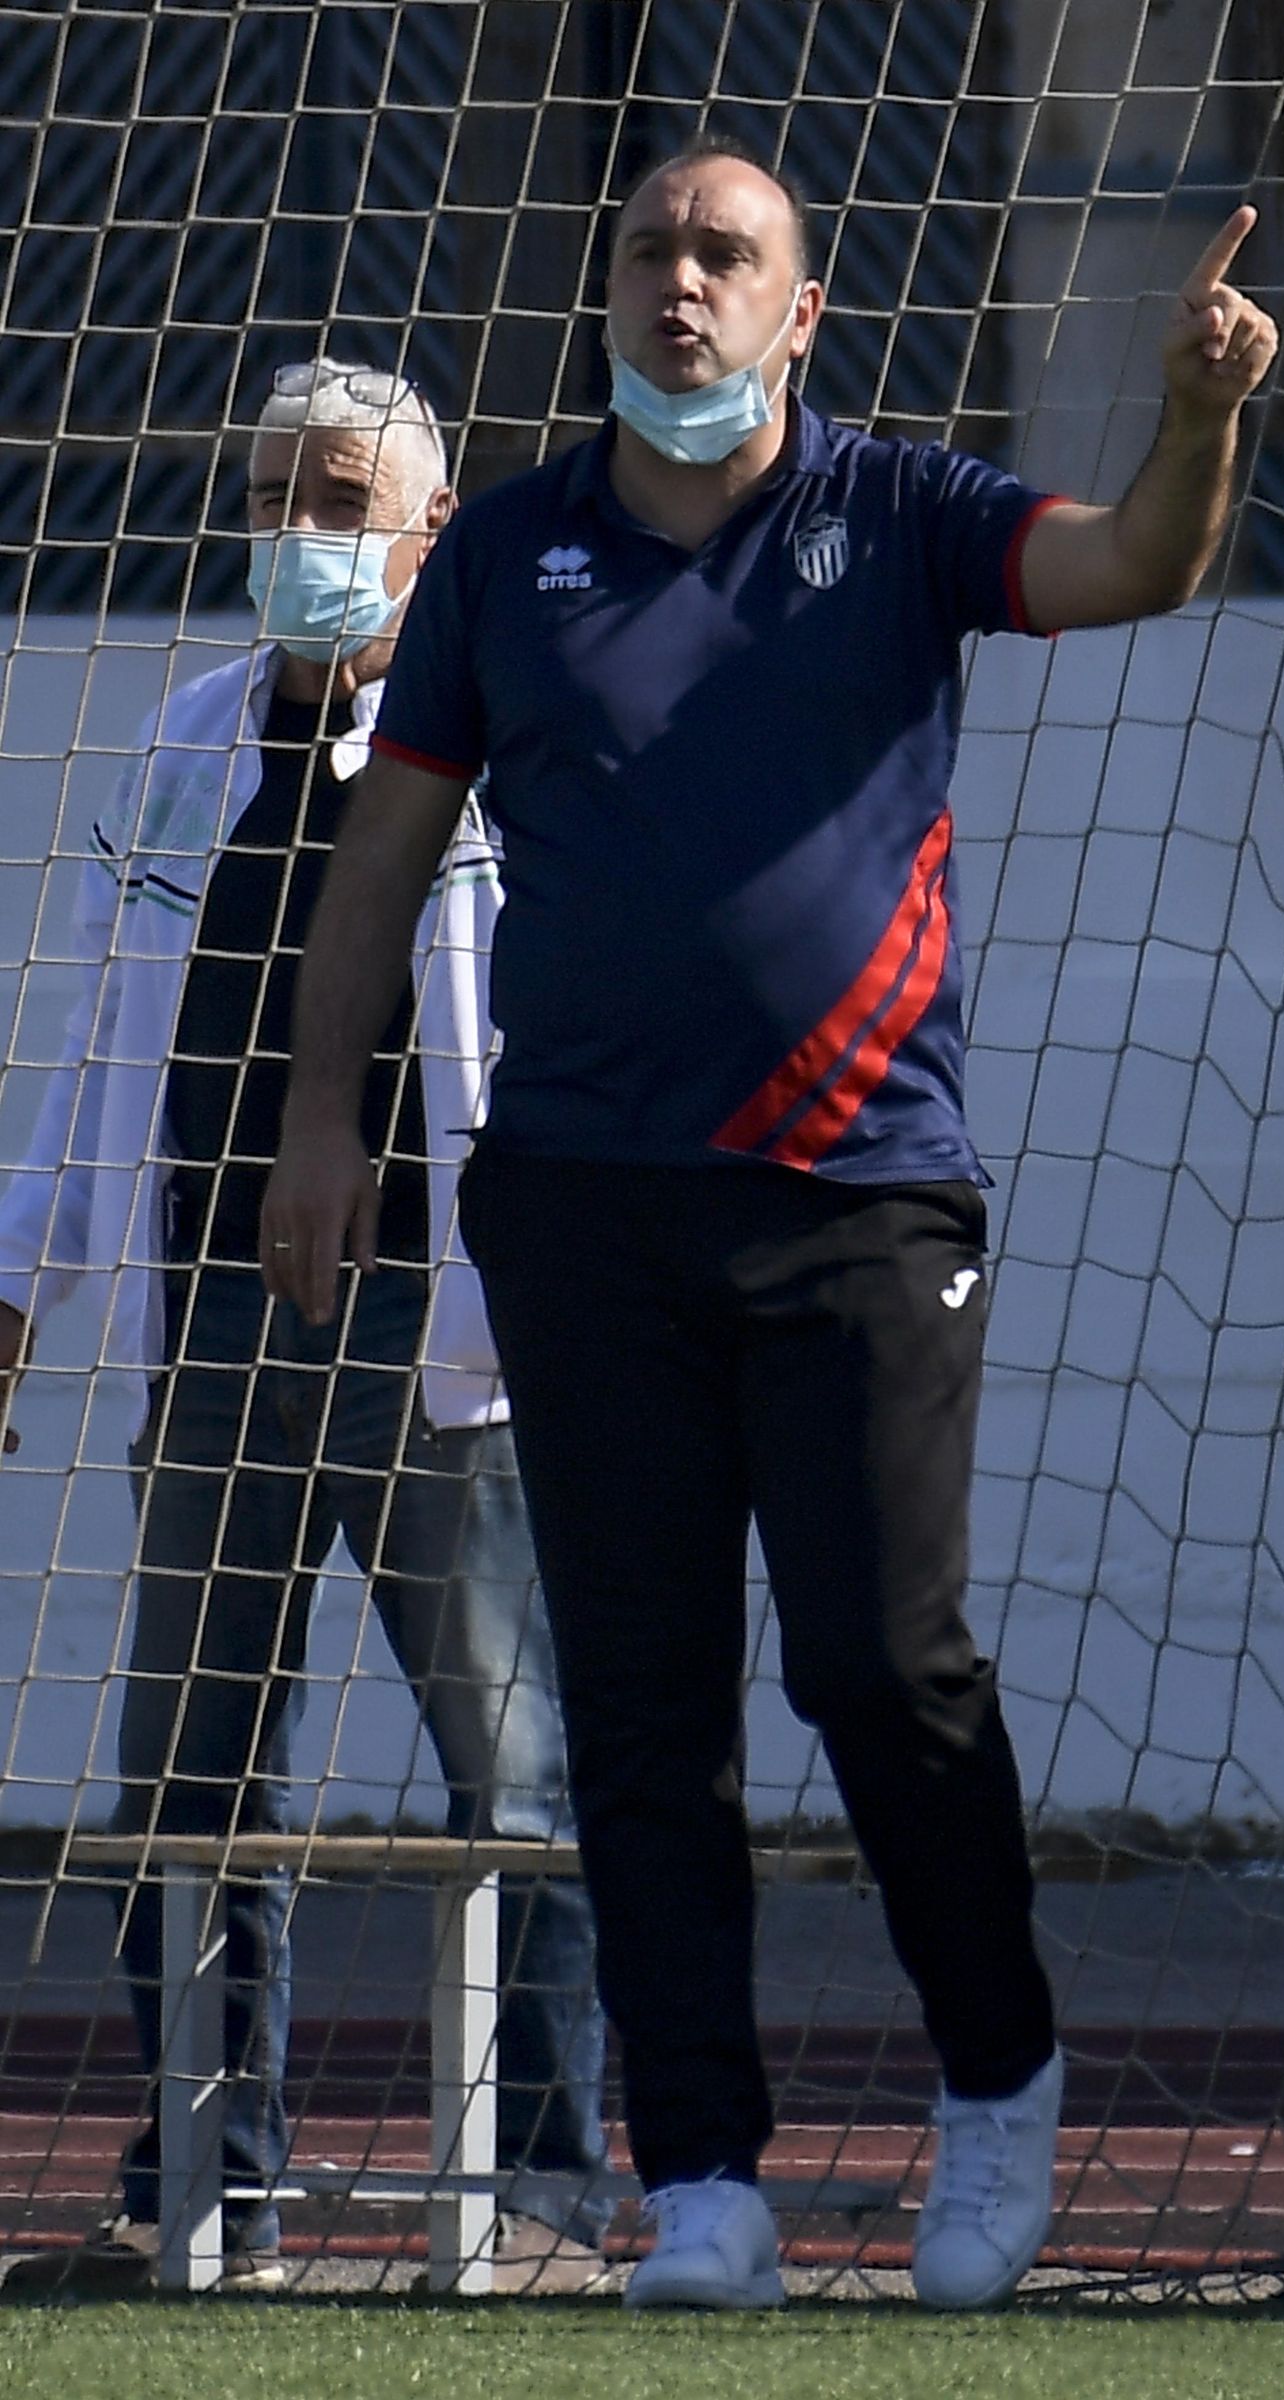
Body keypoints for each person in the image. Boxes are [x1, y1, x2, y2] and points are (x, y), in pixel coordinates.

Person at [262, 143, 1280, 2312]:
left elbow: (1128, 570)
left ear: (796, 316)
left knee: (878, 1669)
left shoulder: (901, 518)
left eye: (727, 257)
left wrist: (1194, 424)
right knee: (639, 1710)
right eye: (648, 251)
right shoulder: (509, 550)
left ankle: (994, 2088)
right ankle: (702, 2176)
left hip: (858, 1205)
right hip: (578, 1209)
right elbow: (380, 861)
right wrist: (325, 1112)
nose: (682, 284)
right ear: (607, 296)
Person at [0, 361, 610, 2298]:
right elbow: (100, 1041)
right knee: (185, 1782)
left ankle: (541, 2191)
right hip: (218, 1343)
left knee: (512, 1777)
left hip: (448, 1357)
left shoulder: (511, 745)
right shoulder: (179, 745)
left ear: (428, 537)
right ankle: (207, 2182)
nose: (300, 537)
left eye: (341, 502)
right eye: (273, 496)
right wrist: (22, 1279)